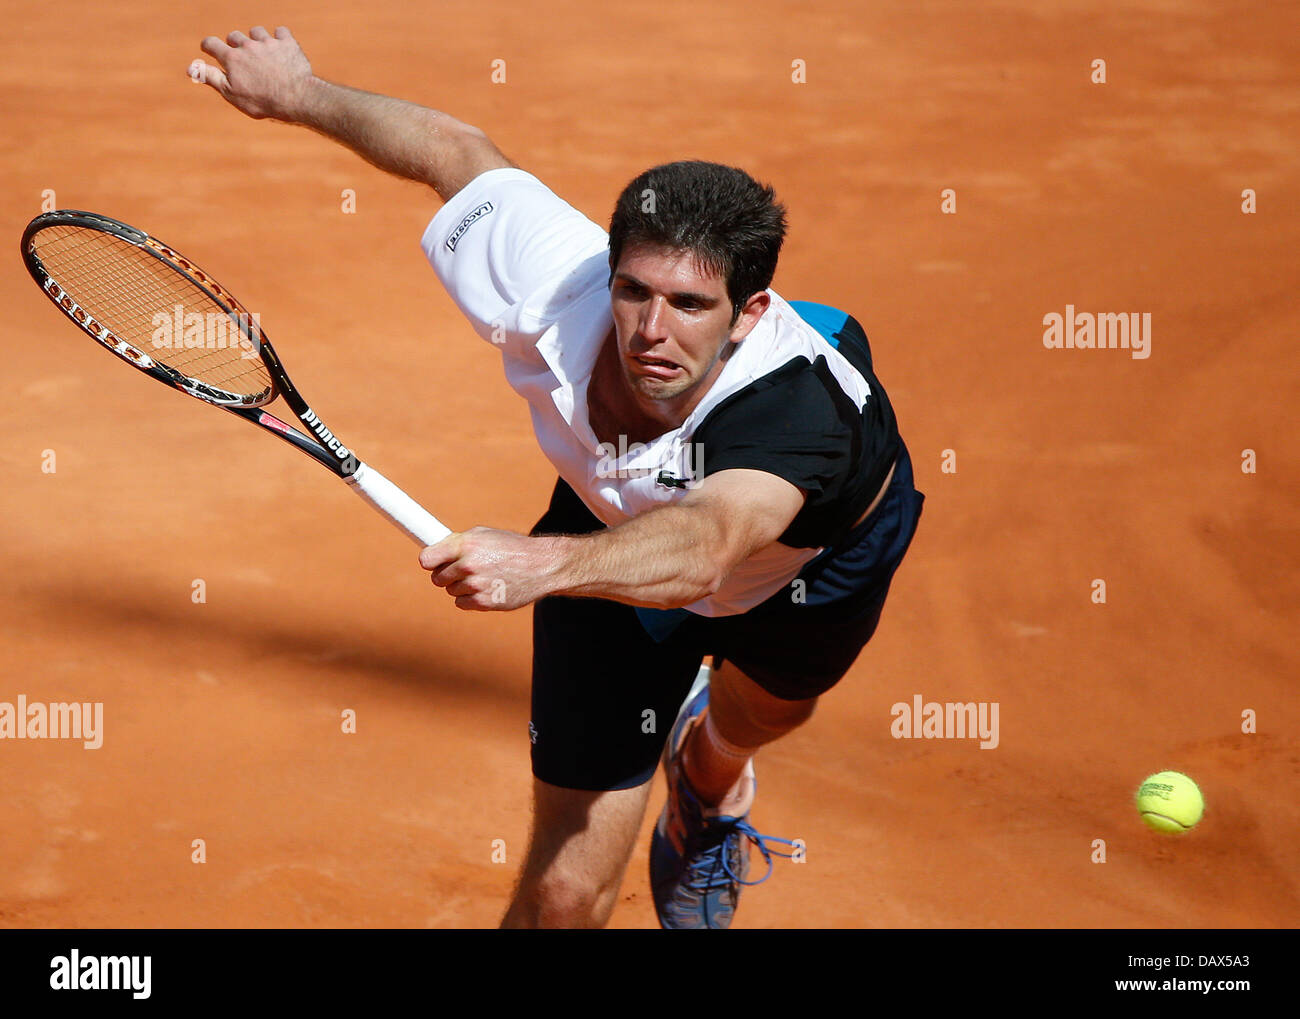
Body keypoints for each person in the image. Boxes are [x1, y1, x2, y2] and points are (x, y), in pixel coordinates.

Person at [190, 25, 924, 930]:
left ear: (750, 313)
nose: (651, 328)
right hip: (612, 535)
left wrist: (543, 565)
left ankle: (707, 775)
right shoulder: (557, 279)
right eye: (634, 291)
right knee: (563, 896)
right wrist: (301, 93)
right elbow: (455, 153)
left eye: (692, 305)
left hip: (811, 564)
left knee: (762, 712)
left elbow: (704, 549)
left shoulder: (793, 415)